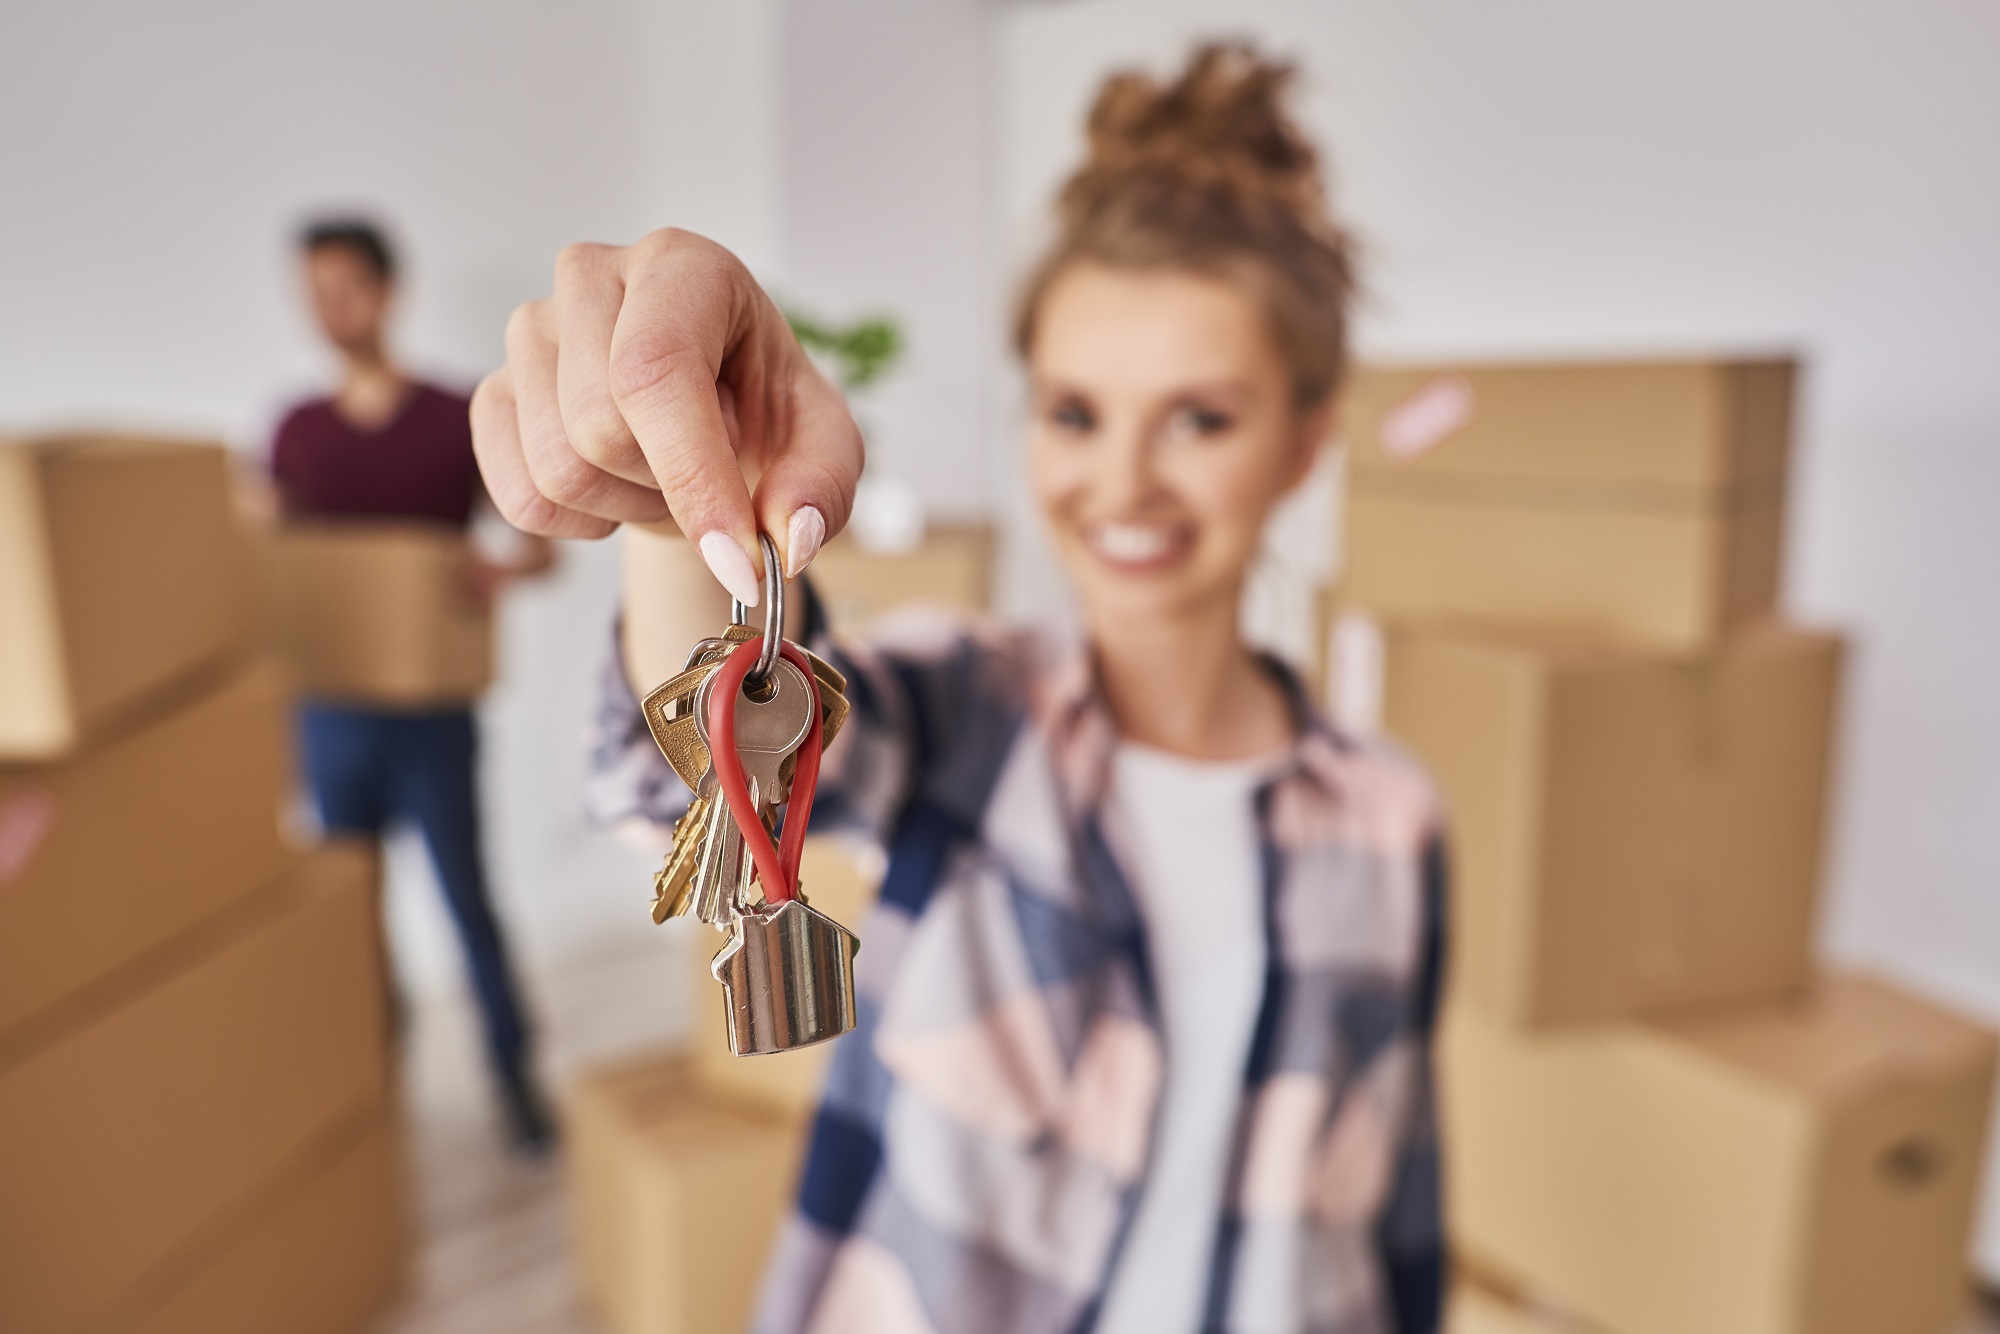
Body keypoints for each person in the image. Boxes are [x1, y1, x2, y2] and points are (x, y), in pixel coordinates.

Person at [475, 42, 1445, 1333]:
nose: (1122, 480)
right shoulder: (963, 708)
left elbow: (1402, 1209)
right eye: (1074, 412)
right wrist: (679, 503)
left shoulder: (1393, 817)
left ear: (1305, 442)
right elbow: (687, 781)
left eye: (1200, 418)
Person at [271, 218, 557, 1154]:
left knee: (467, 898)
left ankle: (514, 1074)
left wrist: (497, 570)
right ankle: (368, 1083)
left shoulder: (453, 416)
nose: (330, 310)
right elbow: (273, 558)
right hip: (333, 713)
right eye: (314, 293)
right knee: (349, 912)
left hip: (434, 710)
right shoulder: (296, 431)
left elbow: (539, 546)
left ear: (388, 292)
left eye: (345, 288)